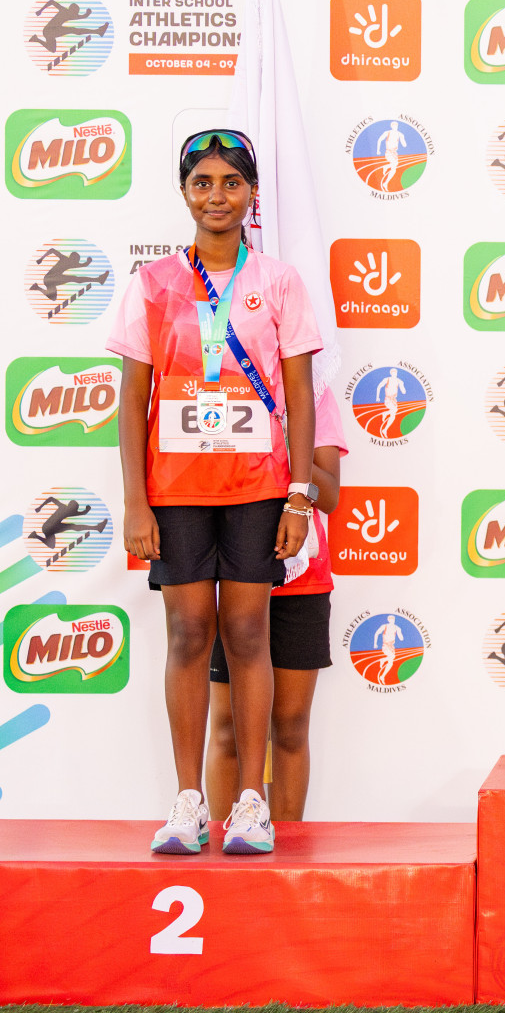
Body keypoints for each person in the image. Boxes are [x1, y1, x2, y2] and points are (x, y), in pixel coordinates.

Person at [110, 129, 320, 855]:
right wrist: (136, 502)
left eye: (232, 183)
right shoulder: (154, 283)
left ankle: (250, 804)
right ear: (184, 193)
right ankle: (190, 800)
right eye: (203, 182)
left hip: (257, 487)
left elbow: (299, 393)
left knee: (249, 633)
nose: (218, 196)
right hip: (177, 488)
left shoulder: (280, 280)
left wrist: (297, 495)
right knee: (188, 633)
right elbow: (133, 396)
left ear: (252, 193)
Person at [205, 387, 346, 823]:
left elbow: (332, 495)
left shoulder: (314, 395)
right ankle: (224, 842)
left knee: (288, 728)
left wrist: (285, 442)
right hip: (230, 579)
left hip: (301, 582)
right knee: (227, 727)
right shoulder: (223, 388)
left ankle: (286, 859)